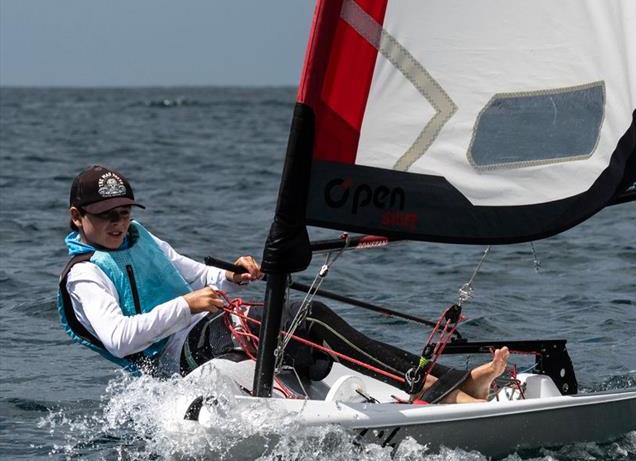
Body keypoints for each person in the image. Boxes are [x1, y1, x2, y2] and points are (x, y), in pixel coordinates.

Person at [59, 165, 509, 402]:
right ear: (78, 218)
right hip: (178, 358)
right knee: (304, 318)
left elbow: (198, 275)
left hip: (207, 328)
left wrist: (232, 275)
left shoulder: (142, 238)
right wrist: (190, 305)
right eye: (106, 217)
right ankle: (440, 385)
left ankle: (445, 381)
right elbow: (118, 340)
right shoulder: (87, 274)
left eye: (124, 212)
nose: (119, 224)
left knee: (307, 322)